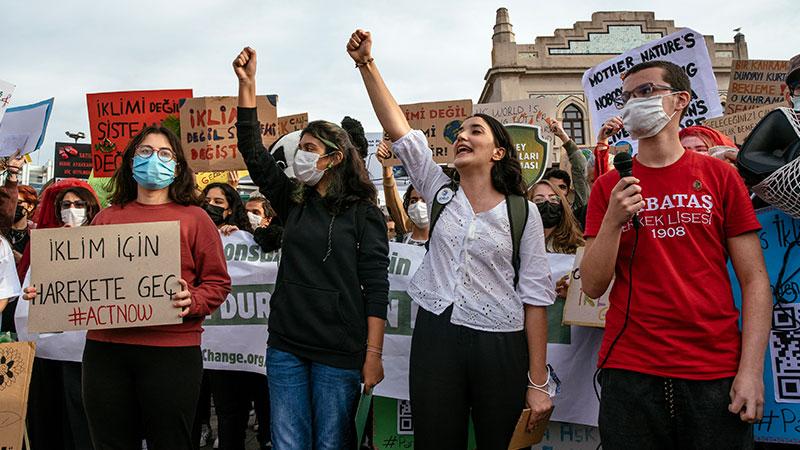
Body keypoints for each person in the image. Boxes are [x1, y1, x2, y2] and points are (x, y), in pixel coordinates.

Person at [348, 29, 554, 448]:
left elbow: (535, 299)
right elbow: (399, 129)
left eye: (475, 131)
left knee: (501, 442)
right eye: (460, 132)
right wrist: (366, 64)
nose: (462, 136)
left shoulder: (523, 212)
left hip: (501, 345)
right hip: (437, 338)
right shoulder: (439, 191)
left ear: (498, 152)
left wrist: (537, 381)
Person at [580, 60, 772, 448]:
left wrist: (751, 371)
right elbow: (594, 284)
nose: (635, 102)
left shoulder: (720, 177)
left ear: (680, 100)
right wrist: (613, 221)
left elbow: (754, 280)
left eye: (647, 91)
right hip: (630, 370)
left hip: (713, 371)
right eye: (628, 96)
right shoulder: (608, 186)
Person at [25, 126, 231, 450]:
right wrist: (50, 291)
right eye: (145, 152)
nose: (154, 159)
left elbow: (218, 283)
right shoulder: (107, 218)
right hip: (106, 353)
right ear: (131, 162)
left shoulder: (196, 219)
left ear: (177, 167)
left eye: (164, 154)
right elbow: (83, 279)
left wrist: (192, 299)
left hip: (171, 353)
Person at [234, 46, 389, 449]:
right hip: (286, 345)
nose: (299, 155)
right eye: (300, 146)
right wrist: (247, 86)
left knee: (331, 443)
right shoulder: (292, 200)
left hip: (339, 352)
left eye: (309, 149)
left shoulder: (363, 214)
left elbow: (376, 288)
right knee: (287, 441)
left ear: (334, 159)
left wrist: (373, 354)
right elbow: (252, 152)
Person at [15, 179, 101, 450]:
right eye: (65, 205)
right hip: (48, 352)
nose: (71, 210)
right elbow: (28, 291)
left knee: (82, 421)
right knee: (52, 418)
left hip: (86, 354)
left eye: (78, 204)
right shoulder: (47, 246)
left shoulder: (106, 245)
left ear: (90, 209)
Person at [376, 140, 429, 245]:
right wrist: (387, 167)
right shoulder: (398, 243)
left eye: (424, 200)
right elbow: (393, 202)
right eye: (413, 201)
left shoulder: (446, 244)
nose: (418, 205)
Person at [544, 119, 590, 212]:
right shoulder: (536, 215)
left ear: (568, 191)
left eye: (562, 187)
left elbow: (580, 169)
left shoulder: (576, 212)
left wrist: (562, 135)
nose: (558, 192)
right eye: (553, 187)